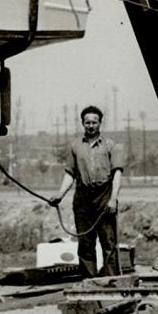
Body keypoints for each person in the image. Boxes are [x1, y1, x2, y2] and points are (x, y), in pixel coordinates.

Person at [52, 105, 124, 277]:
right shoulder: (75, 146)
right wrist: (60, 195)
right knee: (85, 243)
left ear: (100, 123)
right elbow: (70, 173)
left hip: (104, 196)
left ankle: (112, 282)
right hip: (82, 199)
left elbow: (117, 174)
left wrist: (113, 199)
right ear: (82, 124)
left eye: (94, 122)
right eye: (87, 122)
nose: (91, 126)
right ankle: (89, 283)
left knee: (108, 242)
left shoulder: (111, 146)